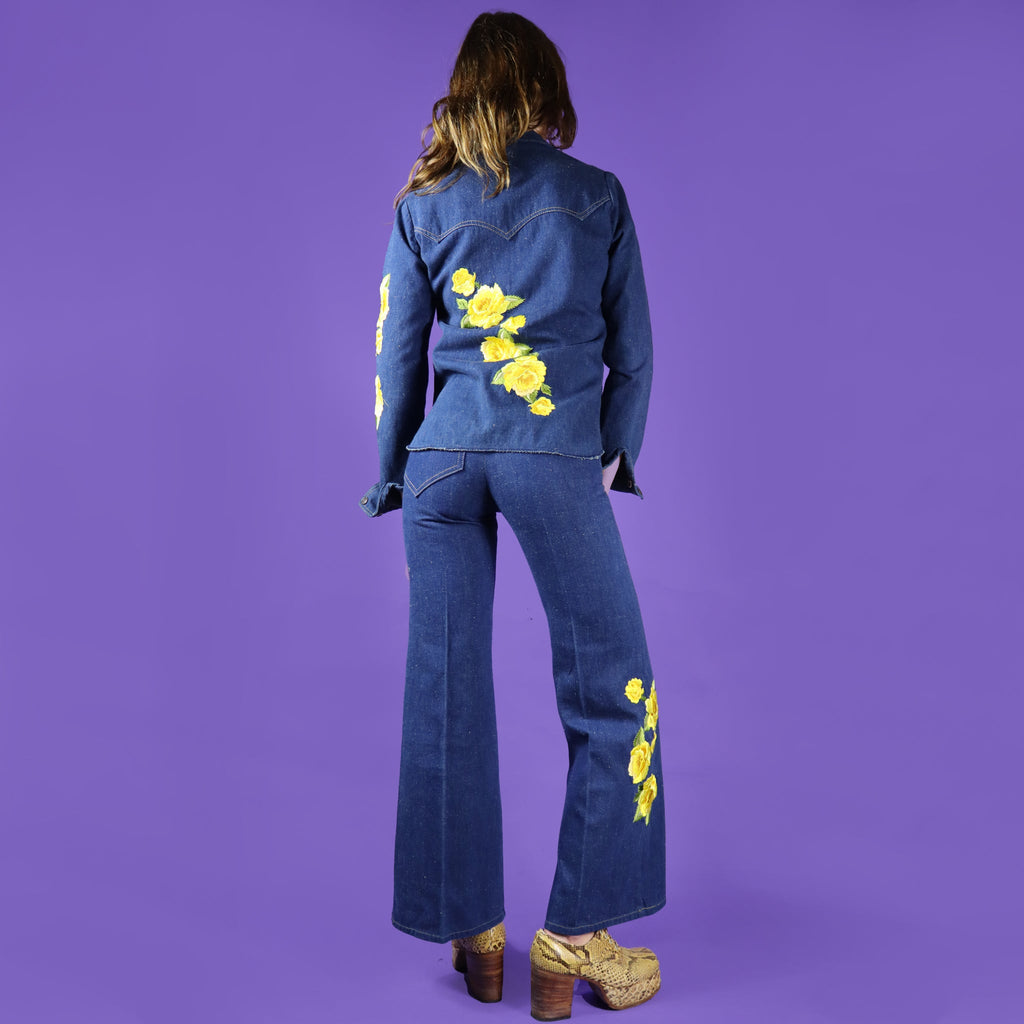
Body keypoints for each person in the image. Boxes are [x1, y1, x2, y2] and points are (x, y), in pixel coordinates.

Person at [360, 11, 664, 1019]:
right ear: (544, 89)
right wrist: (605, 453)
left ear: (465, 88)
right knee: (611, 690)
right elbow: (635, 352)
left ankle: (474, 932)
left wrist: (391, 473)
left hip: (441, 464)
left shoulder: (422, 203)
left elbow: (396, 357)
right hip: (548, 454)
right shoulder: (596, 194)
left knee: (443, 696)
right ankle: (574, 937)